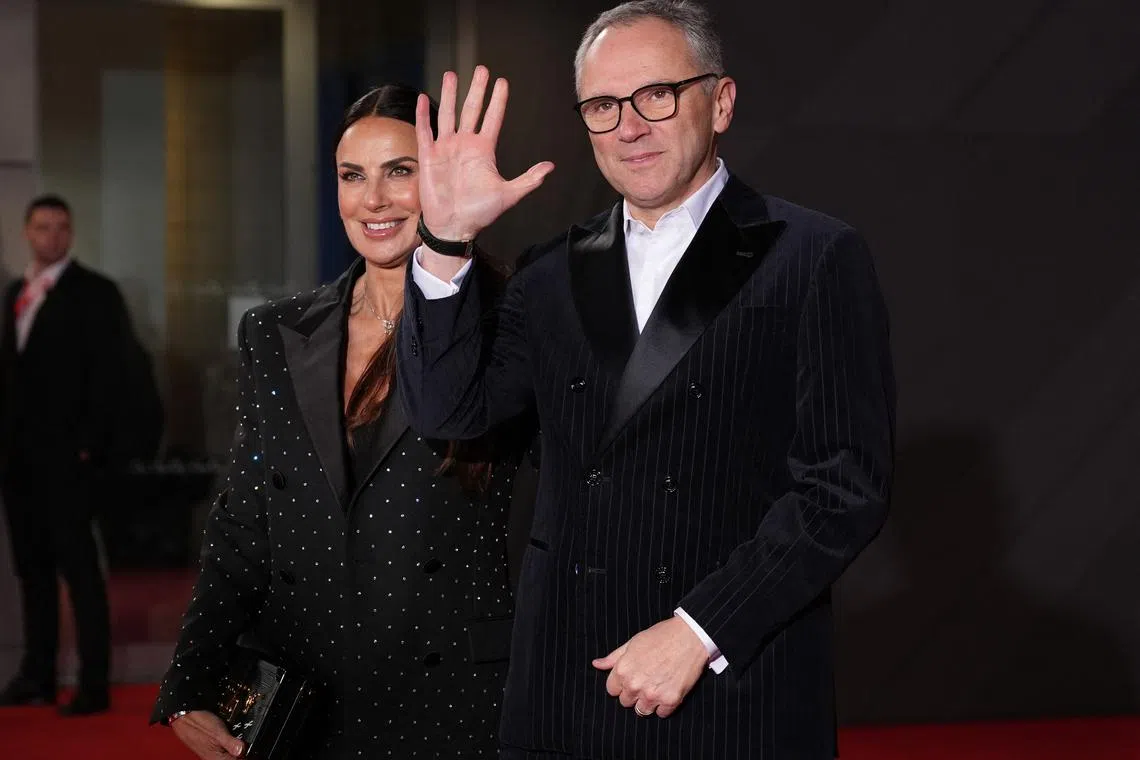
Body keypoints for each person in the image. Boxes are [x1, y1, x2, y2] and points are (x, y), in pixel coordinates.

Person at [397, 1, 897, 758]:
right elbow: (450, 412)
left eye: (656, 95)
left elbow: (843, 487)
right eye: (603, 106)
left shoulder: (811, 255)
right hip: (565, 689)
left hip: (728, 685)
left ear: (720, 101)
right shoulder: (550, 270)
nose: (629, 126)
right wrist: (445, 241)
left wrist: (701, 630)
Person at [151, 84, 528, 759]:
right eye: (352, 176)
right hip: (307, 701)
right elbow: (244, 521)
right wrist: (188, 680)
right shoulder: (274, 331)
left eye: (400, 172)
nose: (373, 200)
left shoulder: (511, 325)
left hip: (456, 703)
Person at [0, 194, 140, 716]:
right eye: (42, 227)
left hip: (70, 462)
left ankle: (94, 683)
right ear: (27, 232)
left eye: (61, 227)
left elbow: (114, 375)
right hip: (19, 462)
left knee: (80, 574)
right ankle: (37, 675)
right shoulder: (17, 292)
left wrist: (91, 446)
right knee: (32, 572)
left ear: (71, 233)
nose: (52, 236)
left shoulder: (94, 293)